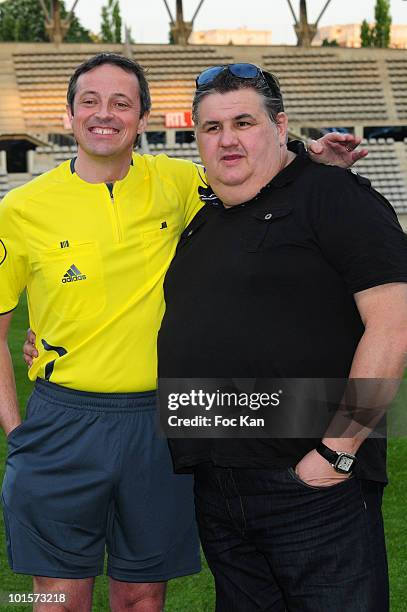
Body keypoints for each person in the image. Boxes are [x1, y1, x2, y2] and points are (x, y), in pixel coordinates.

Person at [11, 55, 365, 611]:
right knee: (55, 599)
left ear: (144, 117)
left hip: (165, 418)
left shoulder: (181, 182)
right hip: (63, 420)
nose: (105, 114)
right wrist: (17, 434)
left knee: (143, 597)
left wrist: (308, 156)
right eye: (90, 101)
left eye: (121, 103)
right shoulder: (20, 209)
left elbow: (254, 170)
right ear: (69, 112)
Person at [156, 64, 407, 611]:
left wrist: (336, 454)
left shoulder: (336, 198)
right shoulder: (206, 220)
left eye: (243, 122)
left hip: (311, 483)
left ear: (280, 126)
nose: (227, 139)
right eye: (211, 127)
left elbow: (393, 325)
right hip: (220, 487)